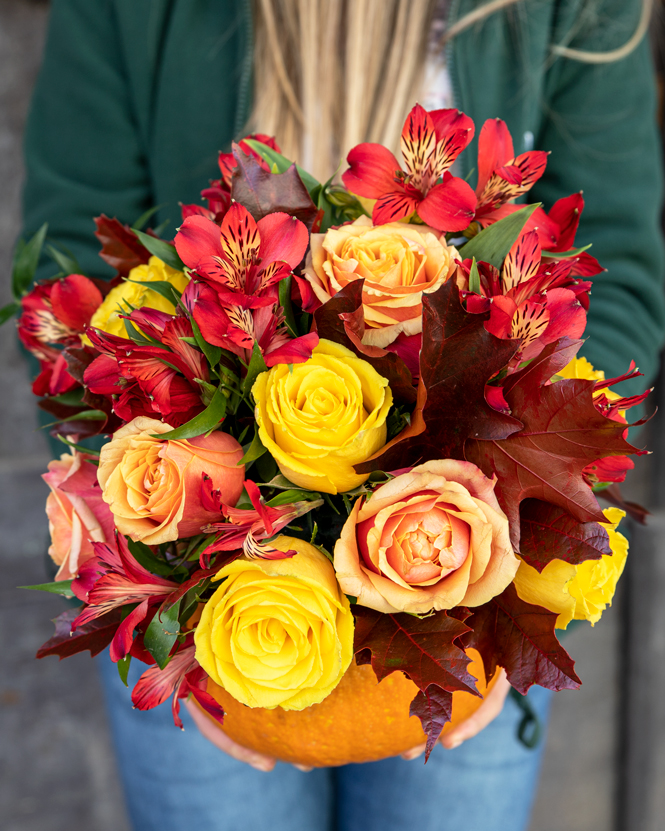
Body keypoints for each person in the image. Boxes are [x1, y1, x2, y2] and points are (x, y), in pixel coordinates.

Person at [20, 1, 664, 830]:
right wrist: (159, 563)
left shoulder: (573, 9)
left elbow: (617, 278)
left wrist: (522, 522)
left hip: (470, 591)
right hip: (203, 614)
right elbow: (74, 288)